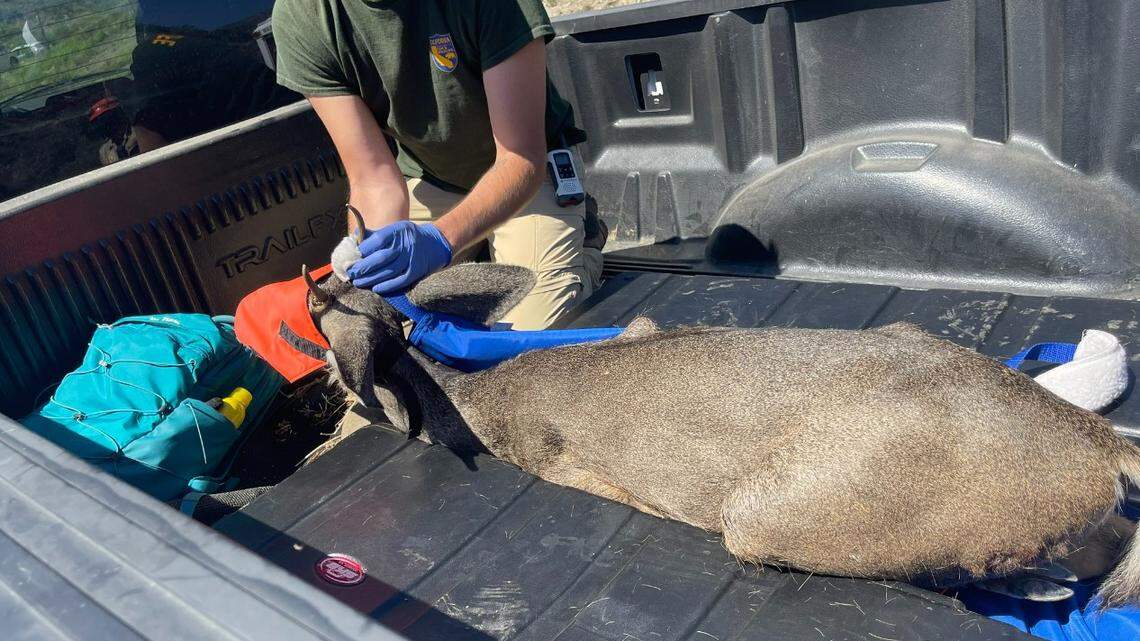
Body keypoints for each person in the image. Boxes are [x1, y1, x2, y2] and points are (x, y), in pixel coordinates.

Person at [270, 0, 605, 330]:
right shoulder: (305, 16)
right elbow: (374, 180)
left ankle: (583, 254)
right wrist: (363, 253)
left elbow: (520, 158)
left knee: (531, 337)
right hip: (431, 178)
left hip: (526, 179)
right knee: (398, 333)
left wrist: (441, 241)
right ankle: (477, 256)